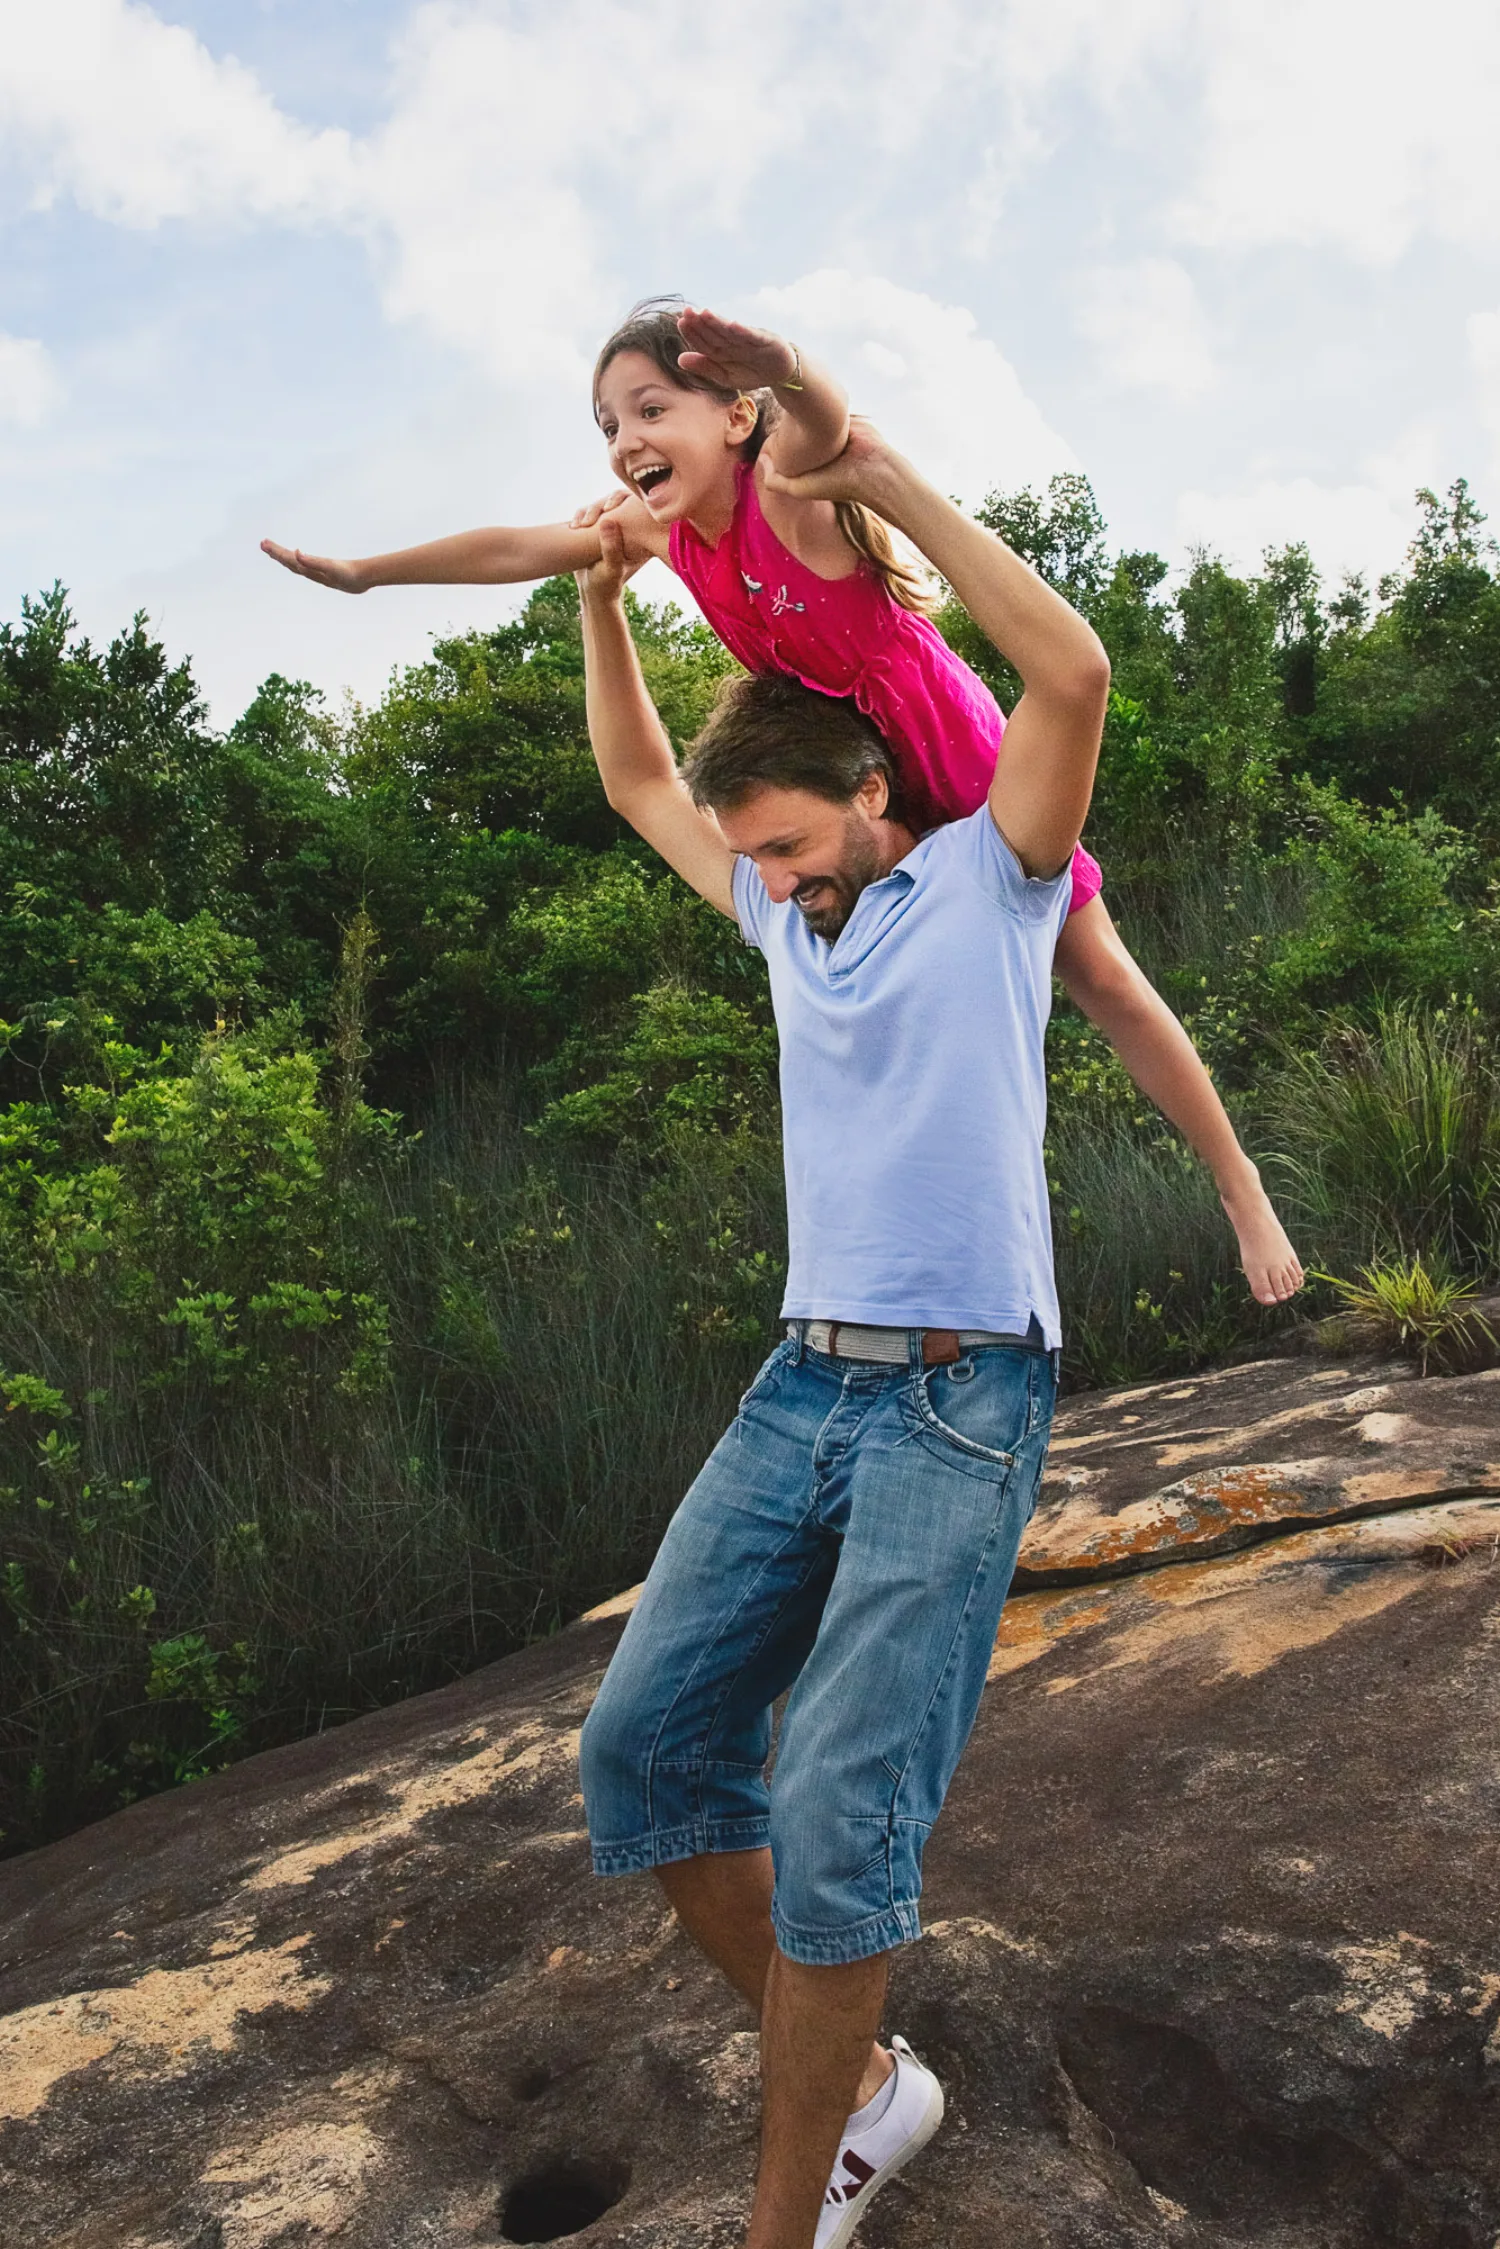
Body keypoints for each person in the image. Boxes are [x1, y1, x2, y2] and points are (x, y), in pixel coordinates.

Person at [261, 298, 1301, 1305]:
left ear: (734, 413)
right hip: (857, 779)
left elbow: (832, 425)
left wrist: (786, 363)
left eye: (651, 408)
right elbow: (514, 549)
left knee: (1104, 977)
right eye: (610, 424)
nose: (627, 441)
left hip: (952, 750)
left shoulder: (786, 491)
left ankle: (1236, 1181)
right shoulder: (667, 534)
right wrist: (366, 574)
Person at [573, 414, 1101, 2249]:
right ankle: (872, 2080)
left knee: (835, 1807)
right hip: (804, 1381)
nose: (779, 882)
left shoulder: (991, 879)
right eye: (761, 863)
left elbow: (1069, 665)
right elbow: (642, 777)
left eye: (796, 845)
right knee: (640, 1751)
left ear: (876, 785)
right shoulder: (797, 922)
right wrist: (599, 607)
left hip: (961, 1403)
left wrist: (876, 488)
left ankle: (787, 2213)